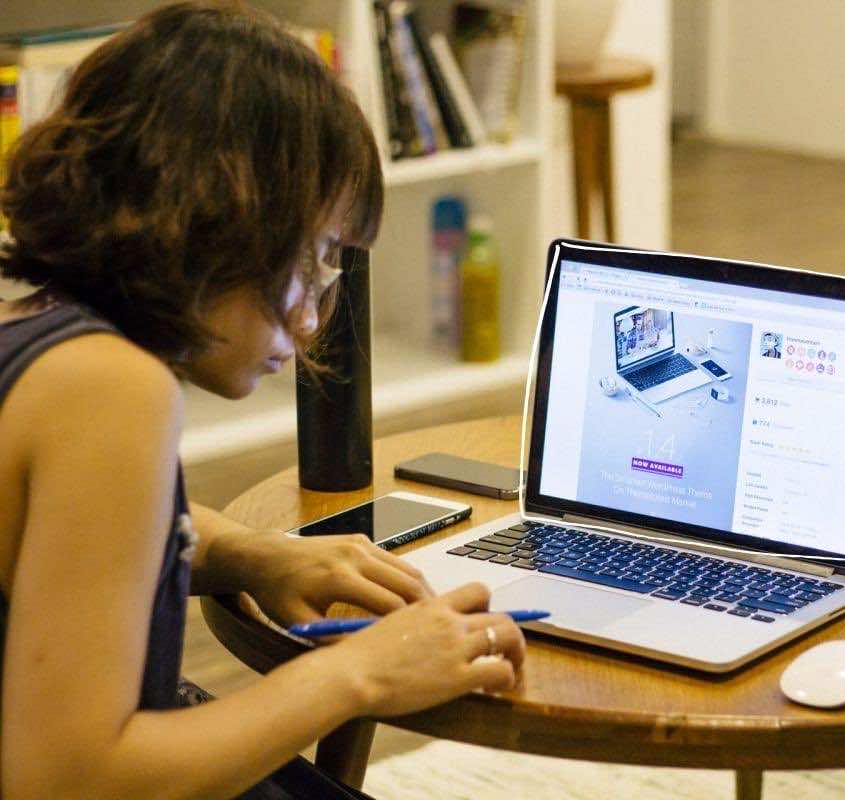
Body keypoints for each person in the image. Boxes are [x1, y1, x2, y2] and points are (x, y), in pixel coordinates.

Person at [0, 3, 524, 798]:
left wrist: (251, 552)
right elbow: (68, 778)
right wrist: (361, 673)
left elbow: (68, 533)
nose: (314, 316)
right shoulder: (112, 390)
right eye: (311, 260)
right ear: (222, 219)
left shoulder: (31, 321)